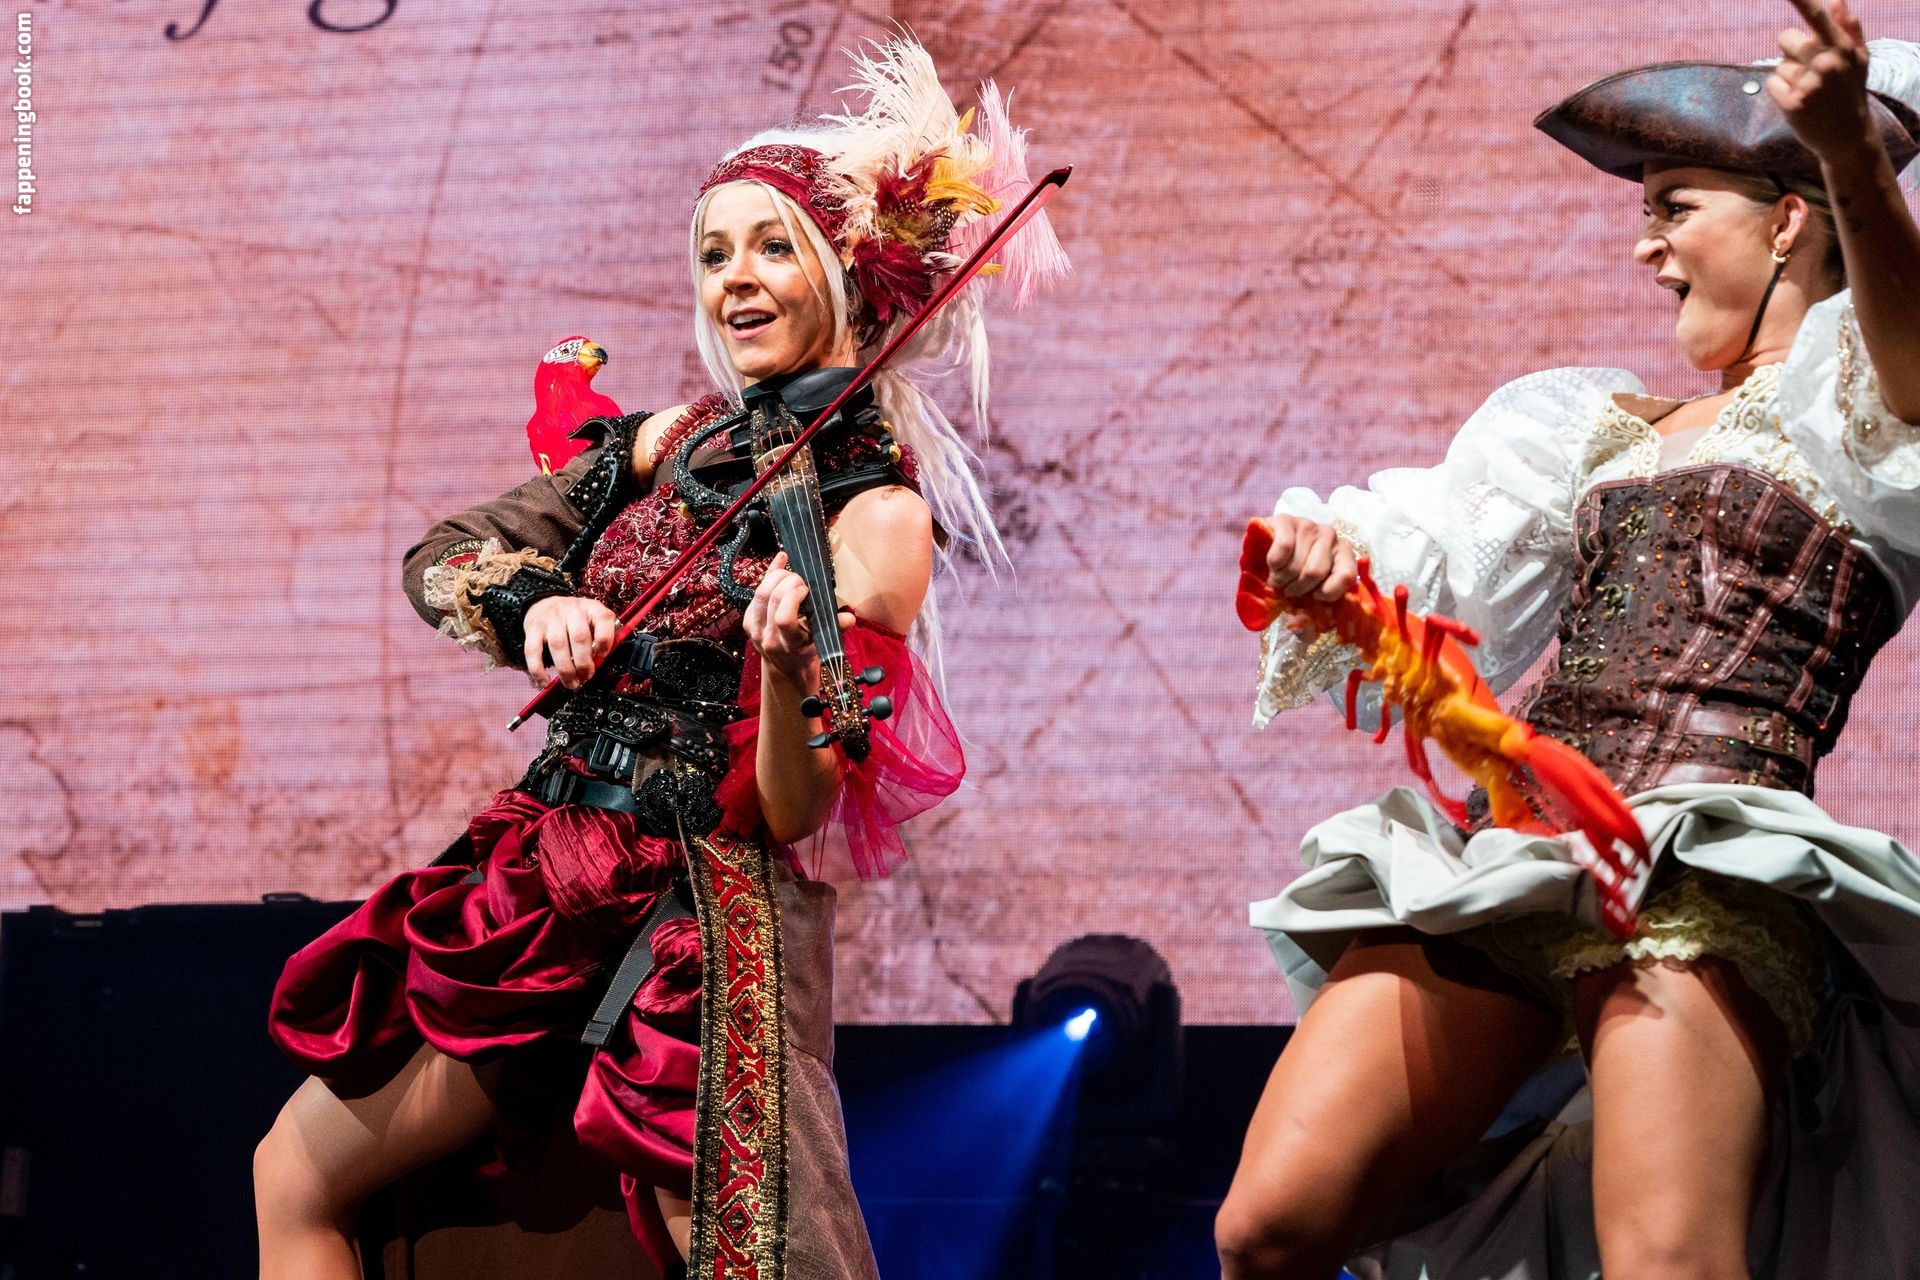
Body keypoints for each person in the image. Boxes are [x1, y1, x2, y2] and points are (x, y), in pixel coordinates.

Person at [251, 37, 1065, 1280]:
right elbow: (448, 550)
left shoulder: (876, 516)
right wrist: (537, 604)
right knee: (295, 1175)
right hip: (541, 873)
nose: (737, 279)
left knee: (735, 1258)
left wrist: (786, 669)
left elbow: (792, 808)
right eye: (714, 254)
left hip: (696, 920)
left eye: (773, 247)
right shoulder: (668, 439)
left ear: (843, 273)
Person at [1218, 5, 1920, 1277]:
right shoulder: (1592, 428)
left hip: (1703, 853)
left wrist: (1852, 155)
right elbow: (1431, 568)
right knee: (1271, 1223)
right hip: (1517, 844)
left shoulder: (1865, 416)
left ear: (1788, 222)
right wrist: (1328, 567)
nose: (1646, 246)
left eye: (1674, 208)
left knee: (1666, 1260)